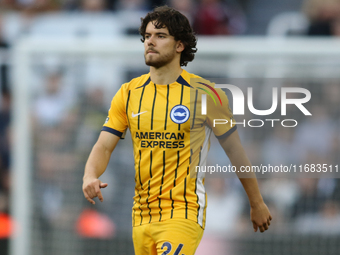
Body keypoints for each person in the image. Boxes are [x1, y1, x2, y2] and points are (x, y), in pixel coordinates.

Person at [82, 6, 272, 255]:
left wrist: (256, 203)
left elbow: (236, 153)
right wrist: (89, 175)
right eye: (147, 36)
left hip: (184, 211)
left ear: (180, 45)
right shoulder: (128, 93)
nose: (150, 41)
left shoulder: (206, 94)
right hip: (141, 215)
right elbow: (104, 145)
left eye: (160, 36)